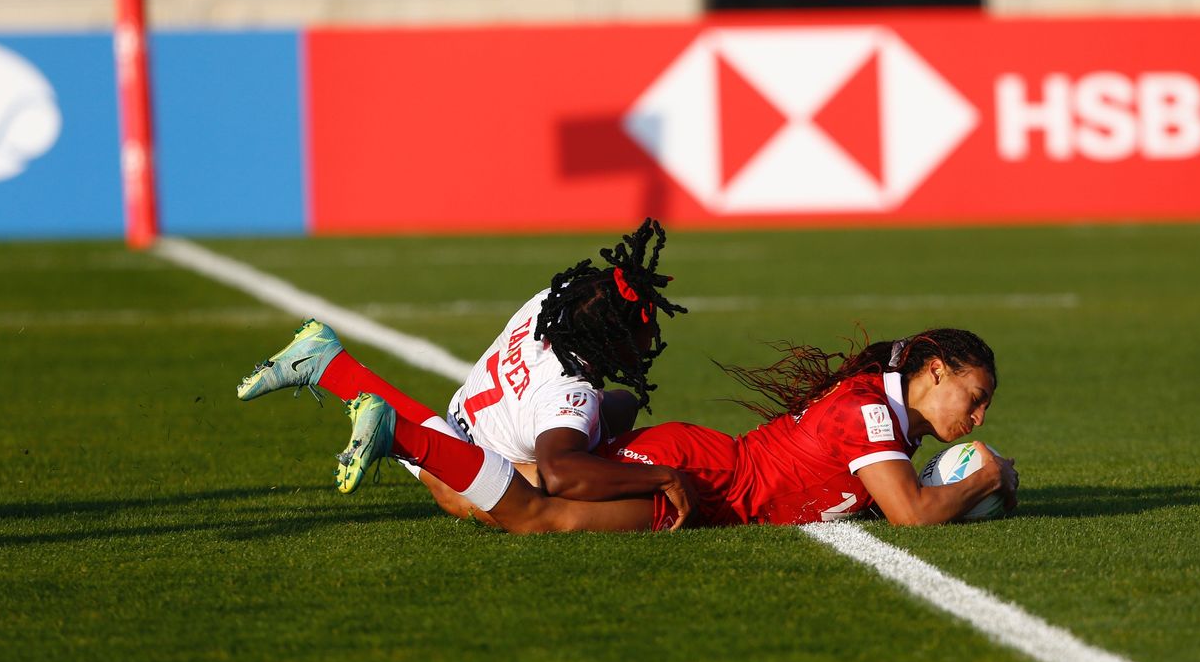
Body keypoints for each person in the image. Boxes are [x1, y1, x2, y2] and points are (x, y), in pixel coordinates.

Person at [302, 327, 1017, 532]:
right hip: (703, 478)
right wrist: (988, 475)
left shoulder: (881, 408)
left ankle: (347, 382)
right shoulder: (868, 412)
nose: (977, 419)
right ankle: (393, 429)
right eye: (974, 398)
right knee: (536, 514)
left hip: (710, 472)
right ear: (935, 369)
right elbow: (912, 515)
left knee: (464, 497)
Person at [236, 218, 701, 527]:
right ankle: (394, 429)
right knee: (541, 501)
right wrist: (661, 478)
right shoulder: (568, 395)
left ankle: (329, 364)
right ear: (611, 334)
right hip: (481, 462)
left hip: (467, 414)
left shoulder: (549, 305)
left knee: (620, 406)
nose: (650, 340)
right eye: (644, 329)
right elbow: (562, 472)